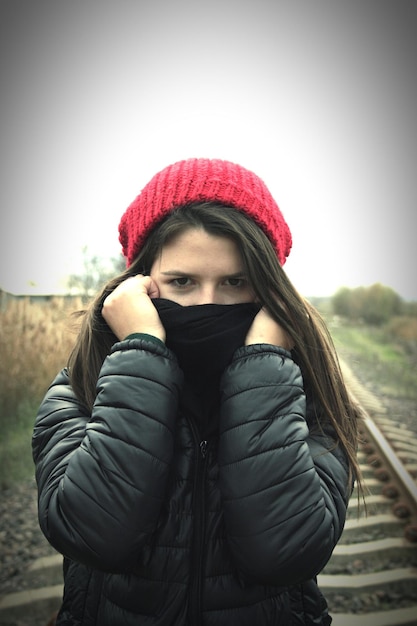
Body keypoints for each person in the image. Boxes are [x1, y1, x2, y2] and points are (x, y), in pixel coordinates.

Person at [33, 157, 363, 626]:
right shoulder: (82, 387)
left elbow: (284, 553)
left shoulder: (312, 396)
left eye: (235, 282)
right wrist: (141, 352)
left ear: (267, 289)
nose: (208, 303)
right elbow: (95, 535)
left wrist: (264, 364)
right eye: (182, 282)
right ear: (141, 284)